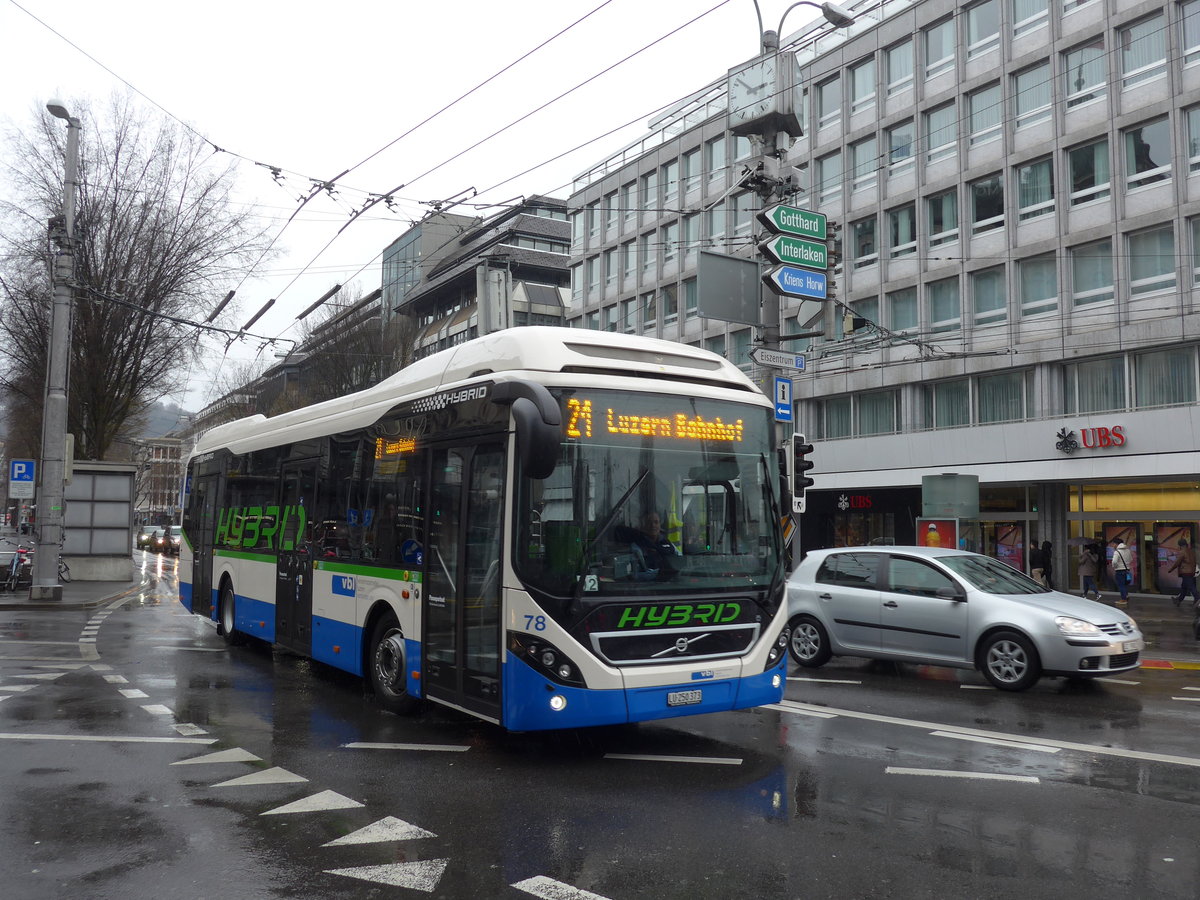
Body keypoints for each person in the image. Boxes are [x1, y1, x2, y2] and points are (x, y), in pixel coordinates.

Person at [616, 510, 678, 580]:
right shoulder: (636, 547)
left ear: (660, 525)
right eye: (649, 523)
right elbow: (634, 576)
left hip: (673, 584)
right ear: (643, 526)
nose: (653, 525)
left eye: (656, 522)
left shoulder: (668, 544)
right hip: (649, 585)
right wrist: (658, 573)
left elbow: (681, 563)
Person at [1168, 539, 1200, 608]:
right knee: (1184, 587)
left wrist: (1170, 569)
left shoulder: (1182, 552)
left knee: (1191, 587)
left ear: (1180, 545)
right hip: (1191, 572)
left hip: (1186, 572)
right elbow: (1194, 561)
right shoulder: (1191, 551)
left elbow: (1177, 562)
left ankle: (1198, 598)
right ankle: (1178, 600)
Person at [1111, 540, 1133, 606]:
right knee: (1125, 584)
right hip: (1127, 571)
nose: (1113, 545)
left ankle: (1123, 599)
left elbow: (1114, 562)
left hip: (1119, 571)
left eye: (1113, 544)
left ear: (1116, 544)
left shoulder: (1117, 552)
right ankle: (1126, 595)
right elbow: (1131, 559)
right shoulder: (1128, 550)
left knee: (1121, 585)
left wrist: (1115, 566)